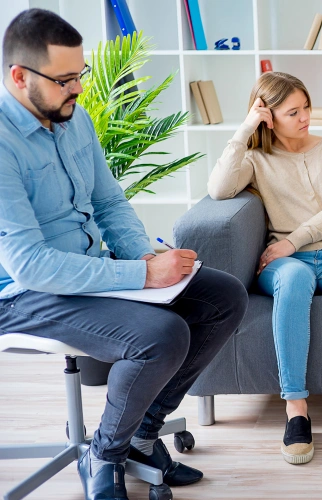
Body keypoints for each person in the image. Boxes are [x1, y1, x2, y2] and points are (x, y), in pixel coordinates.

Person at [0, 9, 249, 500]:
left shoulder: (74, 119)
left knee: (223, 296)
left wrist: (153, 264)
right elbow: (28, 263)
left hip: (92, 265)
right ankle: (104, 454)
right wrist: (141, 274)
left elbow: (109, 202)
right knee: (161, 335)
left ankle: (141, 434)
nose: (78, 90)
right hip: (23, 291)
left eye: (81, 75)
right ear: (19, 77)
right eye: (65, 80)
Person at [207, 71, 322, 475]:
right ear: (268, 116)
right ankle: (296, 411)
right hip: (286, 265)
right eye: (293, 111)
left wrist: (294, 239)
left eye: (306, 107)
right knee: (293, 281)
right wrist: (244, 129)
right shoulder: (256, 160)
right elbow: (220, 189)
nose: (306, 116)